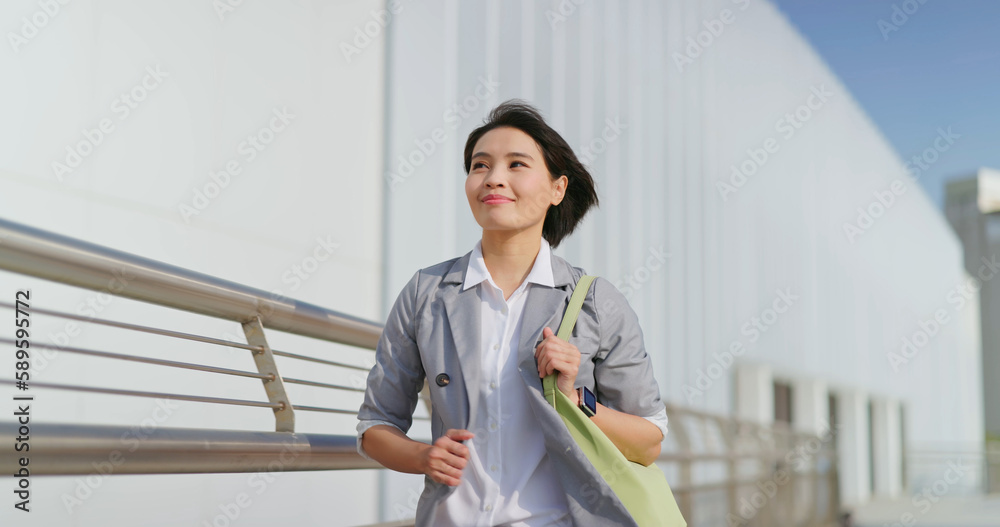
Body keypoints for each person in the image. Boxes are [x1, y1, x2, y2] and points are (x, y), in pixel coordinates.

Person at [356, 99, 669, 526]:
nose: (493, 178)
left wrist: (578, 398)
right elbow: (375, 425)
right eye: (479, 166)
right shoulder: (425, 293)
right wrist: (422, 456)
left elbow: (648, 442)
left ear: (557, 189)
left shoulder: (597, 301)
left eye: (516, 164)